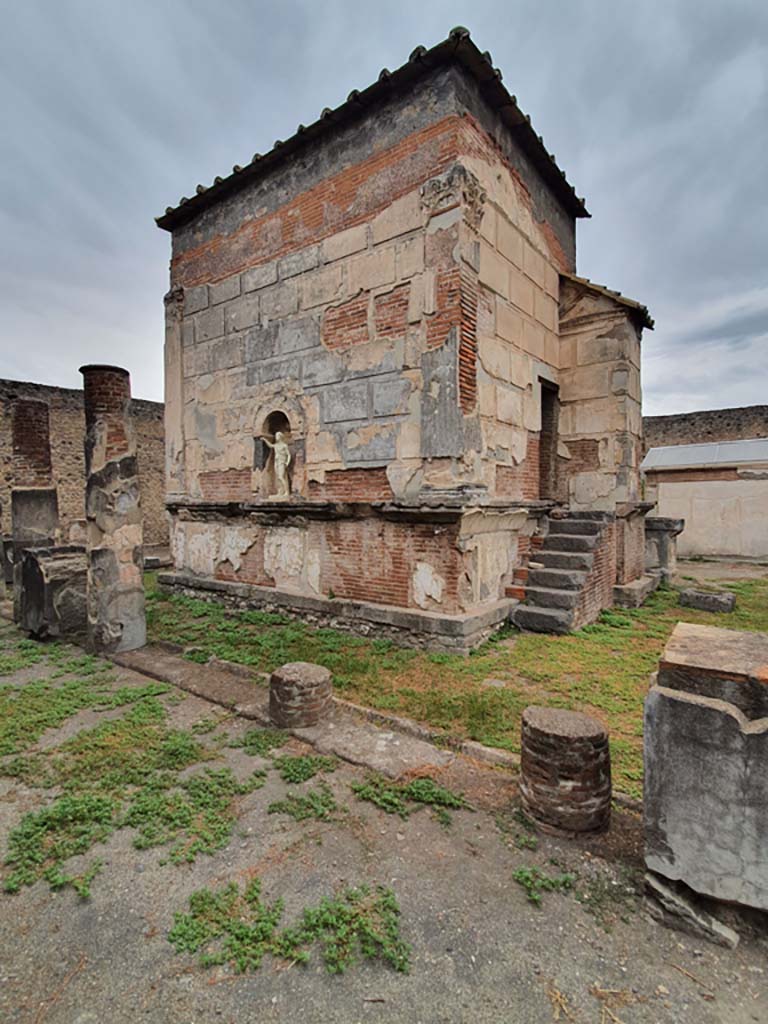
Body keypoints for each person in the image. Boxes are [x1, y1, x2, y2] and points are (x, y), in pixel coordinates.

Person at [262, 431, 291, 497]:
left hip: (282, 461)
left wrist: (287, 462)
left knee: (281, 477)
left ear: (280, 437)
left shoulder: (284, 445)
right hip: (276, 461)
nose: (276, 437)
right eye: (275, 436)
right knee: (278, 477)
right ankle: (280, 492)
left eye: (277, 436)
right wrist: (264, 439)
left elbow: (288, 455)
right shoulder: (276, 445)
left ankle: (286, 491)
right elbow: (270, 445)